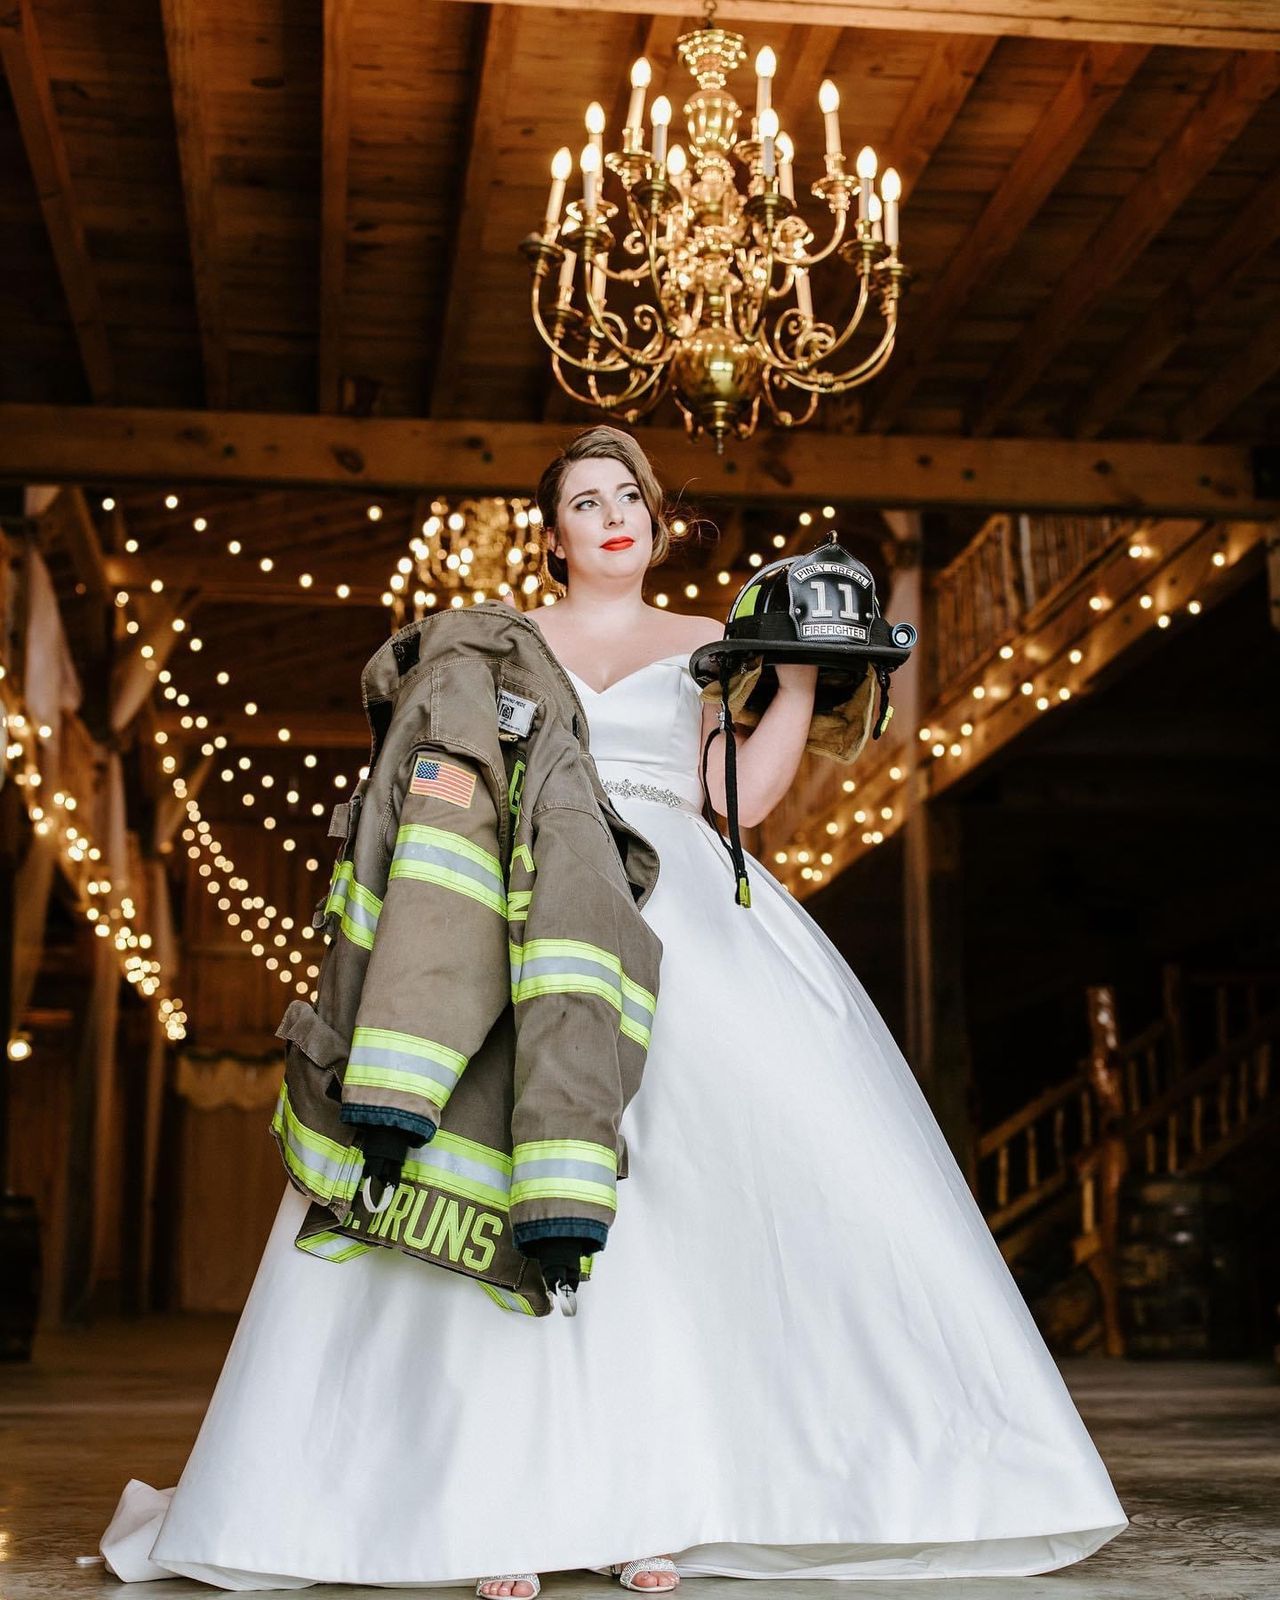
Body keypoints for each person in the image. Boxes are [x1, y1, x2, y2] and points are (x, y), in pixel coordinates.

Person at [100, 425, 1127, 1593]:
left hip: (670, 903)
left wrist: (792, 677)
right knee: (488, 1175)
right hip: (525, 896)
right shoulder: (501, 639)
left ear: (654, 520)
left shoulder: (702, 641)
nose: (612, 515)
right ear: (552, 535)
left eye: (628, 496)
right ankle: (496, 1512)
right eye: (586, 501)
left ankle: (656, 1502)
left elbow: (735, 800)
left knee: (683, 1204)